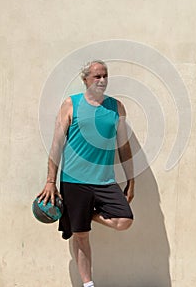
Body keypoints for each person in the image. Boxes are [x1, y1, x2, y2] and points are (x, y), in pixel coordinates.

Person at [38, 60, 135, 287]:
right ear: (85, 80)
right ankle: (88, 284)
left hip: (105, 181)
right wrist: (50, 181)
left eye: (105, 76)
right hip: (74, 182)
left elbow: (123, 147)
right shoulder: (71, 105)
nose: (102, 81)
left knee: (124, 220)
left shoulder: (116, 107)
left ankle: (78, 216)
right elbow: (56, 145)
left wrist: (131, 181)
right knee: (81, 236)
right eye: (96, 77)